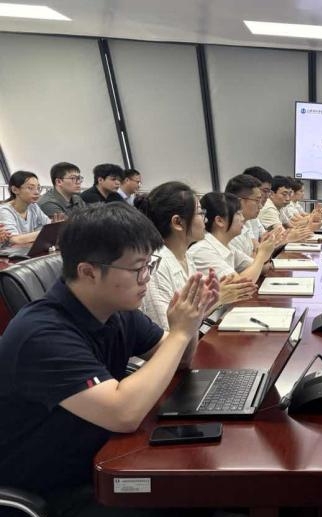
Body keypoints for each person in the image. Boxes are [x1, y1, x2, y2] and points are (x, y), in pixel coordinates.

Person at [0, 202, 218, 511]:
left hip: (103, 454)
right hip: (55, 488)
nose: (146, 277)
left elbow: (179, 360)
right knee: (199, 496)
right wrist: (180, 333)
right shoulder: (40, 334)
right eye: (137, 268)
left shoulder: (114, 309)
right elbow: (123, 413)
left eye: (149, 265)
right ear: (88, 272)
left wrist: (191, 322)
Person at [140, 181, 257, 331]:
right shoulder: (157, 266)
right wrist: (216, 299)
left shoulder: (185, 256)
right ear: (177, 222)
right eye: (201, 213)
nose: (206, 220)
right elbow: (167, 330)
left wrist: (213, 296)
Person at [189, 192, 282, 282]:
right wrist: (261, 254)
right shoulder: (203, 250)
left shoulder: (227, 246)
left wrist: (264, 250)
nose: (242, 218)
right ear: (220, 221)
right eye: (238, 214)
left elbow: (262, 268)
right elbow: (240, 284)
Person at [0, 170, 58, 247]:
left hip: (26, 249)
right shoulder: (4, 210)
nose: (37, 192)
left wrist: (55, 226)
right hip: (9, 253)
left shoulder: (33, 206)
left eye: (38, 188)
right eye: (30, 188)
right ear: (15, 190)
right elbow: (15, 240)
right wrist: (48, 232)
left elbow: (48, 226)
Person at [225, 174, 268, 257]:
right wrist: (263, 250)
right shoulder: (231, 232)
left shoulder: (244, 225)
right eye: (257, 200)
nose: (260, 206)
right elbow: (251, 262)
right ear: (239, 202)